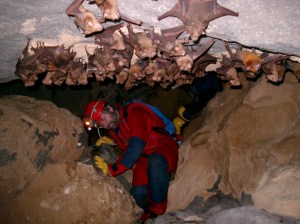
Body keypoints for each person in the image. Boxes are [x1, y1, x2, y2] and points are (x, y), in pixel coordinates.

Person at [83, 99, 179, 222]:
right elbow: (127, 146)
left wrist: (111, 170)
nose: (105, 124)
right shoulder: (114, 129)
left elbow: (135, 147)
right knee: (138, 193)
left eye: (103, 118)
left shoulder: (135, 112)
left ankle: (158, 212)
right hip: (144, 158)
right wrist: (113, 142)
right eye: (101, 124)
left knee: (155, 162)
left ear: (110, 108)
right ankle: (150, 209)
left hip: (163, 148)